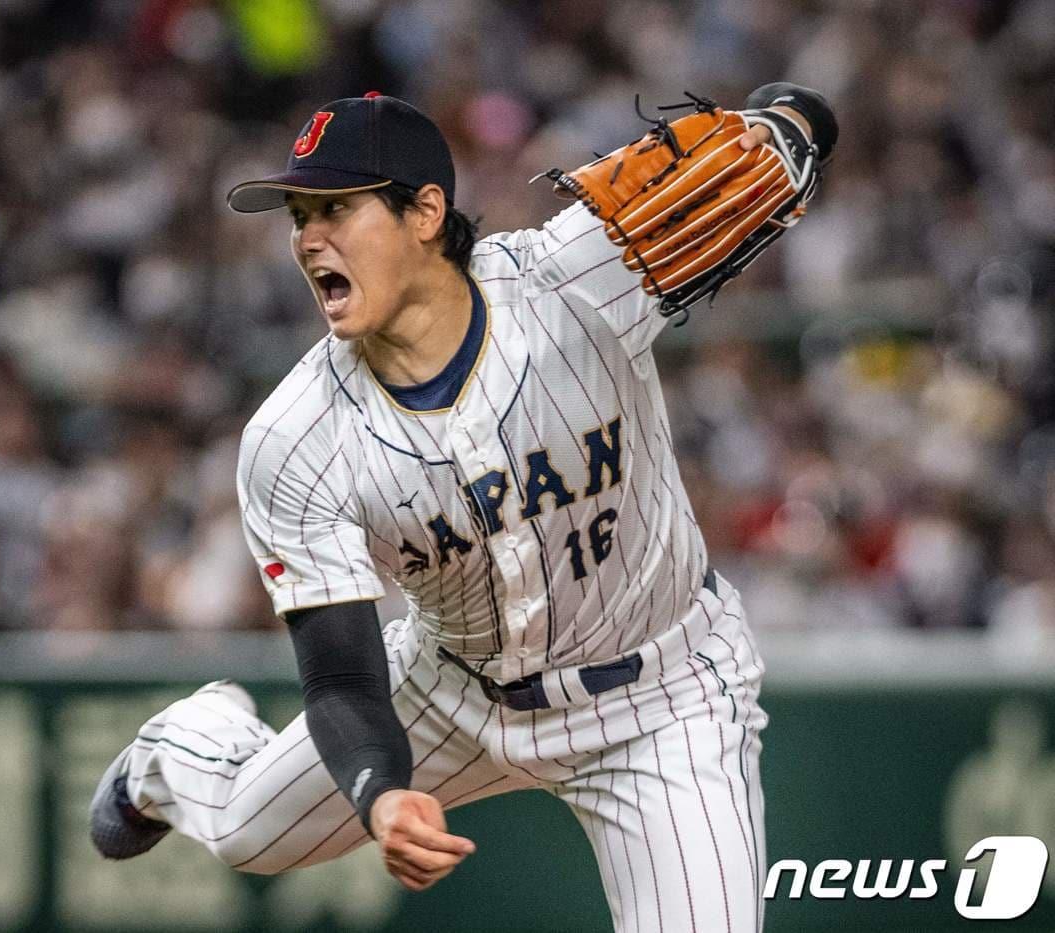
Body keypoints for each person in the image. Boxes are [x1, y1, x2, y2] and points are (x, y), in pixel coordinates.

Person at [91, 85, 837, 931]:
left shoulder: (582, 276)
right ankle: (181, 747)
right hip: (453, 693)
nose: (306, 238)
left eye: (336, 206)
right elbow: (339, 678)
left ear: (426, 211)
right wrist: (379, 794)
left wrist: (790, 120)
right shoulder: (293, 440)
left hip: (665, 696)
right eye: (299, 214)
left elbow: (776, 145)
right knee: (241, 829)